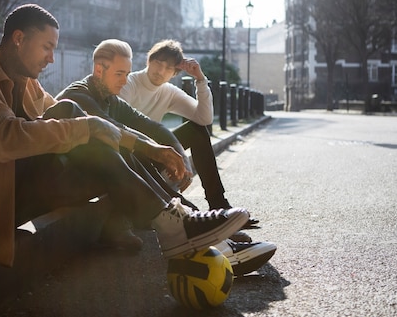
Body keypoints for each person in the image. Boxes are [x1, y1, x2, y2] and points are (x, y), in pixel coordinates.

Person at [0, 4, 250, 267]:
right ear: (19, 38)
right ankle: (180, 225)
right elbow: (4, 139)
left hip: (5, 190)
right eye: (47, 47)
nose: (52, 57)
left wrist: (153, 148)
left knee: (94, 134)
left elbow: (103, 127)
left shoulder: (27, 83)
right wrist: (93, 129)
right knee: (73, 115)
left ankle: (190, 227)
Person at [56, 39, 276, 275]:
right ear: (99, 70)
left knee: (132, 150)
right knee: (123, 148)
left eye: (127, 74)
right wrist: (154, 150)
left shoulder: (111, 97)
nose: (124, 81)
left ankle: (199, 229)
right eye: (120, 74)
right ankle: (189, 228)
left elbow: (149, 126)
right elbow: (115, 130)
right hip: (65, 183)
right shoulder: (78, 96)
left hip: (102, 173)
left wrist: (177, 154)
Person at [119, 40, 258, 227]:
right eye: (158, 63)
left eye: (168, 68)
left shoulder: (168, 92)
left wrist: (200, 80)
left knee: (197, 131)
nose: (160, 71)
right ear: (149, 60)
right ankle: (202, 222)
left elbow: (204, 118)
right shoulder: (129, 83)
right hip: (130, 158)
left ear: (175, 73)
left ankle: (218, 203)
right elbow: (119, 124)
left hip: (154, 155)